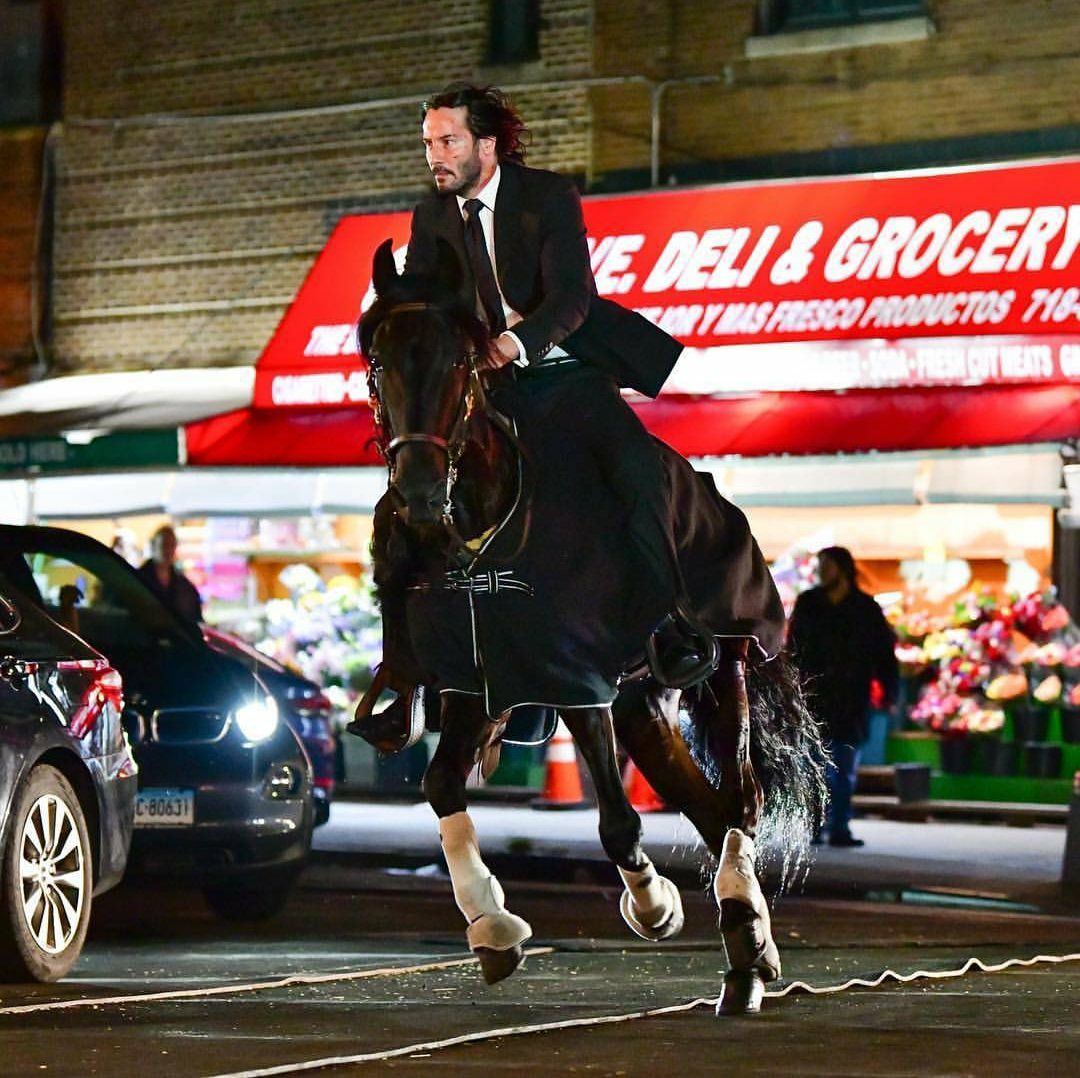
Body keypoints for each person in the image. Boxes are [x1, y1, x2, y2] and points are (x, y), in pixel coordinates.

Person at [371, 83, 710, 698]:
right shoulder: (431, 215)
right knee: (410, 491)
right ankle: (413, 667)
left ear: (488, 145)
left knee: (636, 470)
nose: (434, 155)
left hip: (565, 373)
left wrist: (513, 344)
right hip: (485, 390)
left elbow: (571, 299)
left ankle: (668, 623)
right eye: (427, 143)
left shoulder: (548, 196)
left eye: (448, 141)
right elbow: (424, 301)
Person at [787, 546, 898, 847]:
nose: (822, 570)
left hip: (851, 697)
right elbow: (793, 647)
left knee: (844, 767)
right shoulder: (809, 603)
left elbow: (883, 652)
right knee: (812, 765)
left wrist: (889, 690)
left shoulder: (865, 608)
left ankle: (840, 827)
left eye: (827, 564)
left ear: (843, 568)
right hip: (814, 697)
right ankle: (814, 825)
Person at [137, 524, 203, 625]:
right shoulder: (138, 579)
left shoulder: (184, 585)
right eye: (164, 545)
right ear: (153, 546)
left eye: (172, 545)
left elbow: (195, 616)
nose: (168, 550)